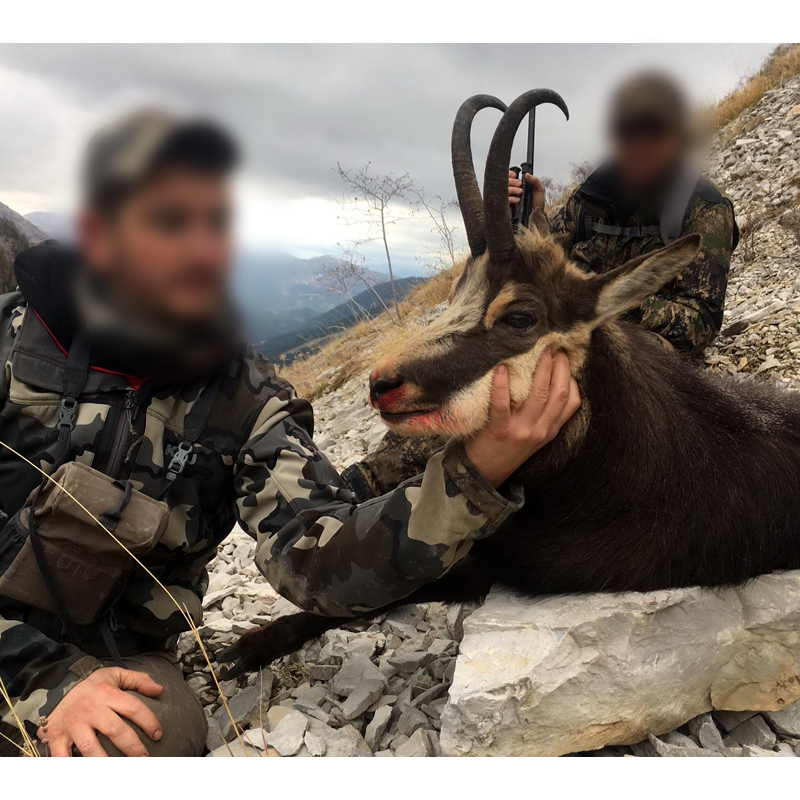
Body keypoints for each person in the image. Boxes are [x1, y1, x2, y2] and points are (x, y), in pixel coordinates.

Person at [0, 110, 580, 757]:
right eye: (169, 222)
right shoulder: (12, 342)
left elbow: (318, 563)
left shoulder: (246, 399)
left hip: (120, 662)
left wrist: (479, 471)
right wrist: (42, 683)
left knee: (142, 738)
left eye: (217, 224)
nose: (203, 250)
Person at [508, 71, 738, 355]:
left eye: (654, 128)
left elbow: (701, 323)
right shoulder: (588, 197)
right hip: (566, 328)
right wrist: (527, 217)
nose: (639, 143)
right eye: (627, 129)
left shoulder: (706, 209)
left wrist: (608, 299)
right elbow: (539, 272)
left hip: (641, 351)